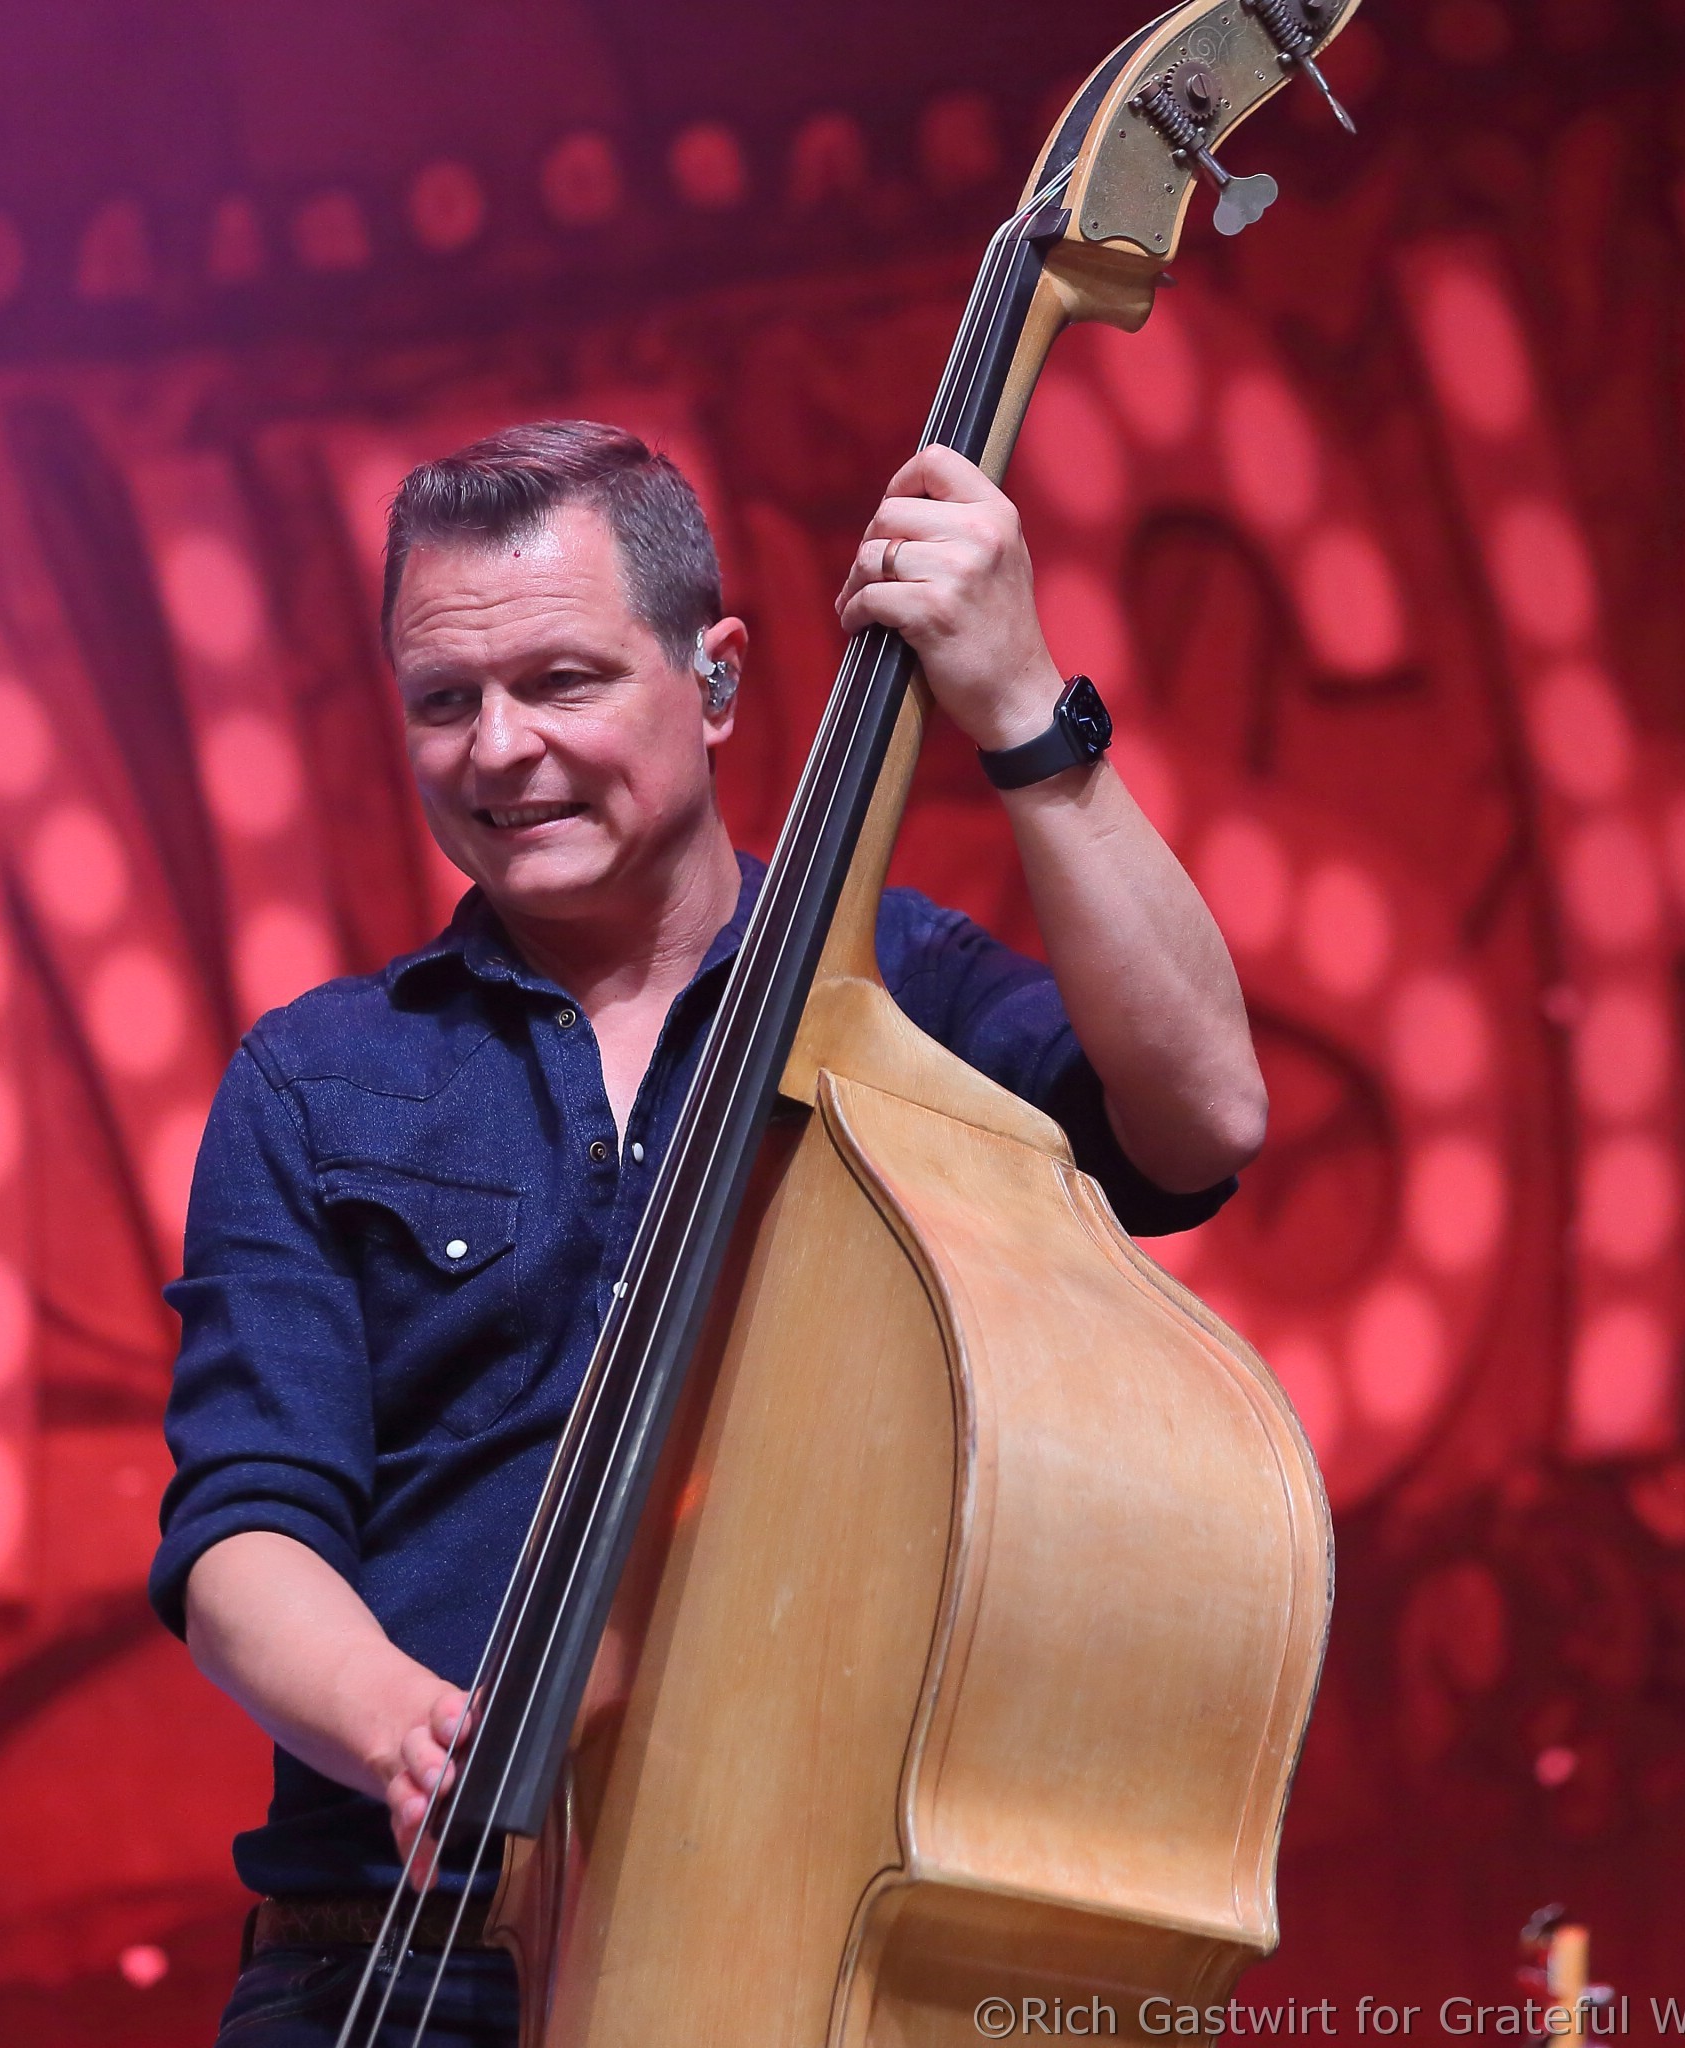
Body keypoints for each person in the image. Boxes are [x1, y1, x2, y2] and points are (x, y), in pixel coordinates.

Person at [151, 420, 1267, 2046]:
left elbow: (1200, 1121)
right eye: (447, 702)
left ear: (718, 680)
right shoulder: (317, 1077)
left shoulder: (900, 1000)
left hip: (792, 1945)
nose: (500, 748)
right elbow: (244, 1531)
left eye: (562, 681)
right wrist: (403, 1728)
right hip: (385, 1963)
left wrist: (1025, 707)